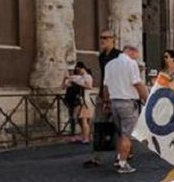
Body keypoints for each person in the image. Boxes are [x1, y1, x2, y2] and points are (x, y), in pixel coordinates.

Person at [104, 44, 148, 174]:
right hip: (127, 103)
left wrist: (106, 102)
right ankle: (123, 163)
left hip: (114, 102)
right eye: (136, 54)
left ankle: (119, 158)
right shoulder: (131, 63)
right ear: (131, 52)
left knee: (120, 133)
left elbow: (105, 87)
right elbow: (137, 83)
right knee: (127, 135)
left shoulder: (110, 64)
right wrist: (146, 98)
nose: (137, 57)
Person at [84, 31, 122, 168]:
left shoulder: (119, 55)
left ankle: (121, 157)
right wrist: (103, 95)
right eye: (101, 38)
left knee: (119, 127)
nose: (102, 40)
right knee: (98, 125)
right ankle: (96, 158)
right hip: (103, 94)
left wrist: (112, 96)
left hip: (116, 95)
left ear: (113, 40)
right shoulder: (101, 56)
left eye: (105, 38)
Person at [62, 62, 94, 144]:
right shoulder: (79, 77)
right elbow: (64, 85)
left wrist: (78, 83)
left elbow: (90, 86)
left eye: (78, 70)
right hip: (80, 101)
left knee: (84, 120)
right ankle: (84, 136)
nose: (78, 72)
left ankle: (86, 138)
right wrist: (66, 79)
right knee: (80, 120)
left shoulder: (87, 76)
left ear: (82, 68)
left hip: (85, 101)